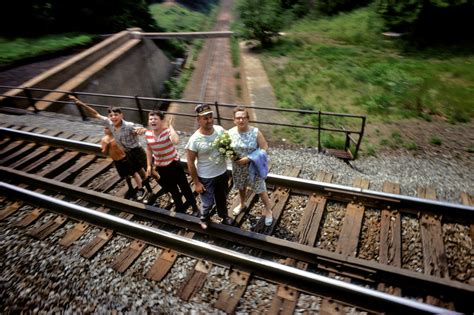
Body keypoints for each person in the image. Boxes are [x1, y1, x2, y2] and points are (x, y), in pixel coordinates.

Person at [69, 95, 152, 199]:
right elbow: (95, 114)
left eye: (116, 115)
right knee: (137, 173)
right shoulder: (109, 124)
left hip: (136, 151)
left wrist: (143, 130)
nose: (113, 117)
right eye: (111, 115)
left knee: (147, 172)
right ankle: (147, 191)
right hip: (127, 154)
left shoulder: (128, 125)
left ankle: (155, 190)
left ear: (121, 115)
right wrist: (80, 103)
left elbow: (139, 129)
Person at [185, 104, 233, 229]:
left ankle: (224, 216)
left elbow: (228, 146)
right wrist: (196, 183)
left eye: (210, 117)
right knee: (207, 202)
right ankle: (204, 217)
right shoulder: (195, 140)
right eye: (205, 118)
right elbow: (190, 162)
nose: (209, 120)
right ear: (198, 120)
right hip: (206, 177)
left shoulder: (220, 130)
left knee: (222, 197)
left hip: (222, 173)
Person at [145, 110, 199, 214]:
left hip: (174, 164)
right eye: (150, 119)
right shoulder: (148, 134)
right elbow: (148, 149)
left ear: (161, 121)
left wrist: (170, 126)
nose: (152, 121)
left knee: (184, 187)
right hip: (161, 167)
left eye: (155, 119)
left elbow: (176, 141)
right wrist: (149, 165)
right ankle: (180, 207)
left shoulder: (167, 132)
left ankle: (194, 207)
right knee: (173, 189)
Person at [229, 106, 273, 226]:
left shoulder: (255, 132)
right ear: (234, 120)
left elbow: (264, 147)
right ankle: (242, 203)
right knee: (241, 186)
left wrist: (248, 158)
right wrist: (232, 157)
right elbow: (227, 149)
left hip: (253, 167)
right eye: (238, 118)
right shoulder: (230, 133)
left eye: (243, 117)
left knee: (260, 189)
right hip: (238, 168)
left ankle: (268, 210)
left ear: (248, 119)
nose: (241, 120)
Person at [100, 126, 146, 200]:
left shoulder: (117, 137)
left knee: (134, 173)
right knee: (125, 175)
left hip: (125, 158)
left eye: (107, 128)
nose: (105, 130)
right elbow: (104, 152)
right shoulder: (104, 140)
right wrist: (107, 146)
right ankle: (130, 188)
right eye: (105, 128)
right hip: (117, 161)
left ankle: (140, 188)